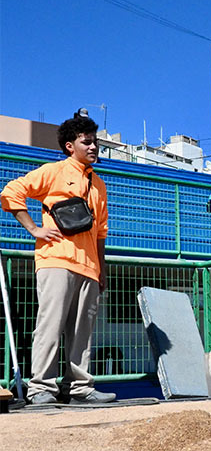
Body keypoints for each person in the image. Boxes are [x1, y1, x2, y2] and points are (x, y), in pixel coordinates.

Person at [0, 116, 116, 405]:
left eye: (95, 142)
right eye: (86, 142)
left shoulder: (99, 185)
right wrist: (34, 229)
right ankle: (41, 388)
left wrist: (101, 269)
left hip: (89, 267)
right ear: (69, 146)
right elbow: (11, 192)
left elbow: (101, 231)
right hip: (56, 260)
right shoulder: (54, 171)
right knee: (50, 326)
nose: (93, 147)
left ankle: (79, 388)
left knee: (82, 332)